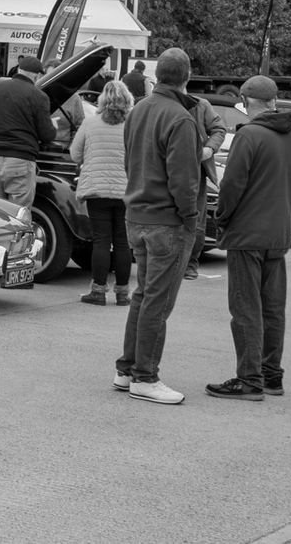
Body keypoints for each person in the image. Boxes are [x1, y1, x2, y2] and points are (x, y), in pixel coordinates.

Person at [114, 47, 202, 406]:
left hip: (137, 213)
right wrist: (191, 219)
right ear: (187, 76)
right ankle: (145, 376)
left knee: (143, 295)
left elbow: (130, 160)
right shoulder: (180, 119)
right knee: (158, 301)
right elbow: (184, 180)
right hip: (167, 220)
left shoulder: (138, 111)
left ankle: (127, 369)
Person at [205, 75, 291, 402]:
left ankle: (249, 379)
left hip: (247, 234)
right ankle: (272, 375)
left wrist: (222, 217)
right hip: (278, 233)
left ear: (246, 103)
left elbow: (232, 186)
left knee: (246, 309)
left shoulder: (249, 136)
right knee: (273, 309)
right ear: (273, 100)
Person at [71, 80, 134, 306]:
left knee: (101, 241)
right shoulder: (132, 125)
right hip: (126, 191)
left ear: (102, 100)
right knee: (122, 242)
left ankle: (98, 291)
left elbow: (75, 155)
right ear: (127, 100)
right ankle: (123, 293)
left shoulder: (90, 124)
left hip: (97, 190)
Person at [0, 56, 56, 216]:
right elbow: (47, 135)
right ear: (36, 76)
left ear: (18, 70)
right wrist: (53, 127)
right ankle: (16, 242)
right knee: (18, 217)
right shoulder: (39, 96)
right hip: (21, 162)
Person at [183, 87, 227, 280]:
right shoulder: (155, 105)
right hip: (165, 169)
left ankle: (190, 264)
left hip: (196, 171)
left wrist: (209, 149)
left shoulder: (201, 105)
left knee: (196, 219)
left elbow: (219, 128)